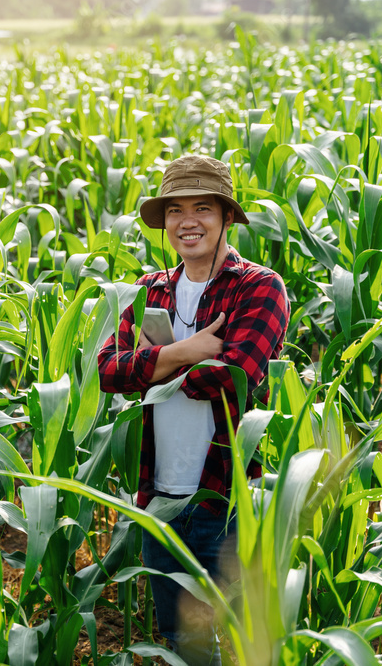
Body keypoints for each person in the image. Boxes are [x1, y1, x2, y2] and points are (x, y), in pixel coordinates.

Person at [96, 154, 289, 665]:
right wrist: (186, 351)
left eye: (203, 208)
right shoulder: (147, 290)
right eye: (176, 209)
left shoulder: (259, 287)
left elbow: (230, 379)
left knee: (252, 643)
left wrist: (152, 363)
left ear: (227, 216)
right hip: (159, 501)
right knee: (186, 648)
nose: (188, 222)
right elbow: (106, 371)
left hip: (227, 502)